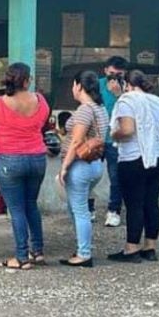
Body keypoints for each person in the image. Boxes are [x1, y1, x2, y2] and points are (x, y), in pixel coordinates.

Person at [0, 62, 50, 270]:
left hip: (9, 159)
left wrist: (2, 141)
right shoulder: (40, 100)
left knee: (16, 209)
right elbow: (43, 122)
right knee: (31, 204)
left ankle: (21, 257)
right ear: (27, 80)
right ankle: (37, 251)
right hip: (37, 158)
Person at [107, 70, 159, 263]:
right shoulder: (158, 102)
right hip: (158, 157)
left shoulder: (126, 101)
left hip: (134, 157)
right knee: (152, 202)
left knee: (134, 204)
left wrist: (114, 135)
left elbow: (127, 130)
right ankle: (150, 247)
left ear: (127, 84)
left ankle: (131, 248)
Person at [56, 71, 108, 267]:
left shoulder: (85, 110)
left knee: (80, 210)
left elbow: (77, 141)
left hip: (81, 165)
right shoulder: (100, 108)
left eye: (73, 85)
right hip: (95, 164)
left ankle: (84, 254)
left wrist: (65, 166)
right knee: (77, 208)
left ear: (78, 86)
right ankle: (81, 246)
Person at [100, 56, 128, 227]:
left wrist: (119, 95)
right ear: (105, 71)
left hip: (115, 139)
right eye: (111, 74)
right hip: (96, 137)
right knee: (88, 175)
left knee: (116, 177)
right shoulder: (96, 84)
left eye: (119, 74)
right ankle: (89, 209)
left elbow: (128, 111)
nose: (114, 78)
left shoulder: (128, 89)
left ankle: (114, 210)